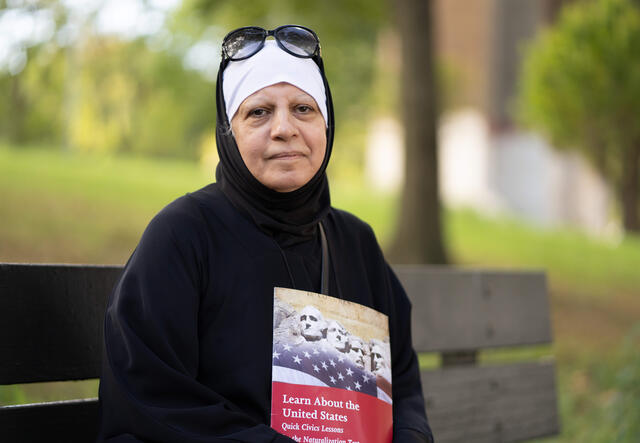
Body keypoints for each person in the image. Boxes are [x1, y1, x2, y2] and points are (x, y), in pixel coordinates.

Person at [97, 25, 433, 442]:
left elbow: (400, 378)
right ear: (228, 130)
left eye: (303, 109)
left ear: (327, 126)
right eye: (258, 112)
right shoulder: (182, 236)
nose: (284, 128)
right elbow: (152, 397)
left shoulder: (356, 243)